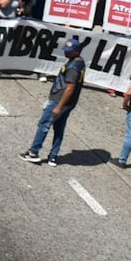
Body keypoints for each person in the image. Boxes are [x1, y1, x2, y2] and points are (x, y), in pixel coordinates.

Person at [23, 36, 87, 167]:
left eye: (69, 50)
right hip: (69, 103)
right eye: (66, 49)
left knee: (44, 125)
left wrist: (59, 106)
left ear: (77, 51)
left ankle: (33, 153)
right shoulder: (79, 62)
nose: (66, 52)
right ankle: (53, 156)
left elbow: (69, 88)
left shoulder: (73, 67)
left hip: (59, 101)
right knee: (59, 128)